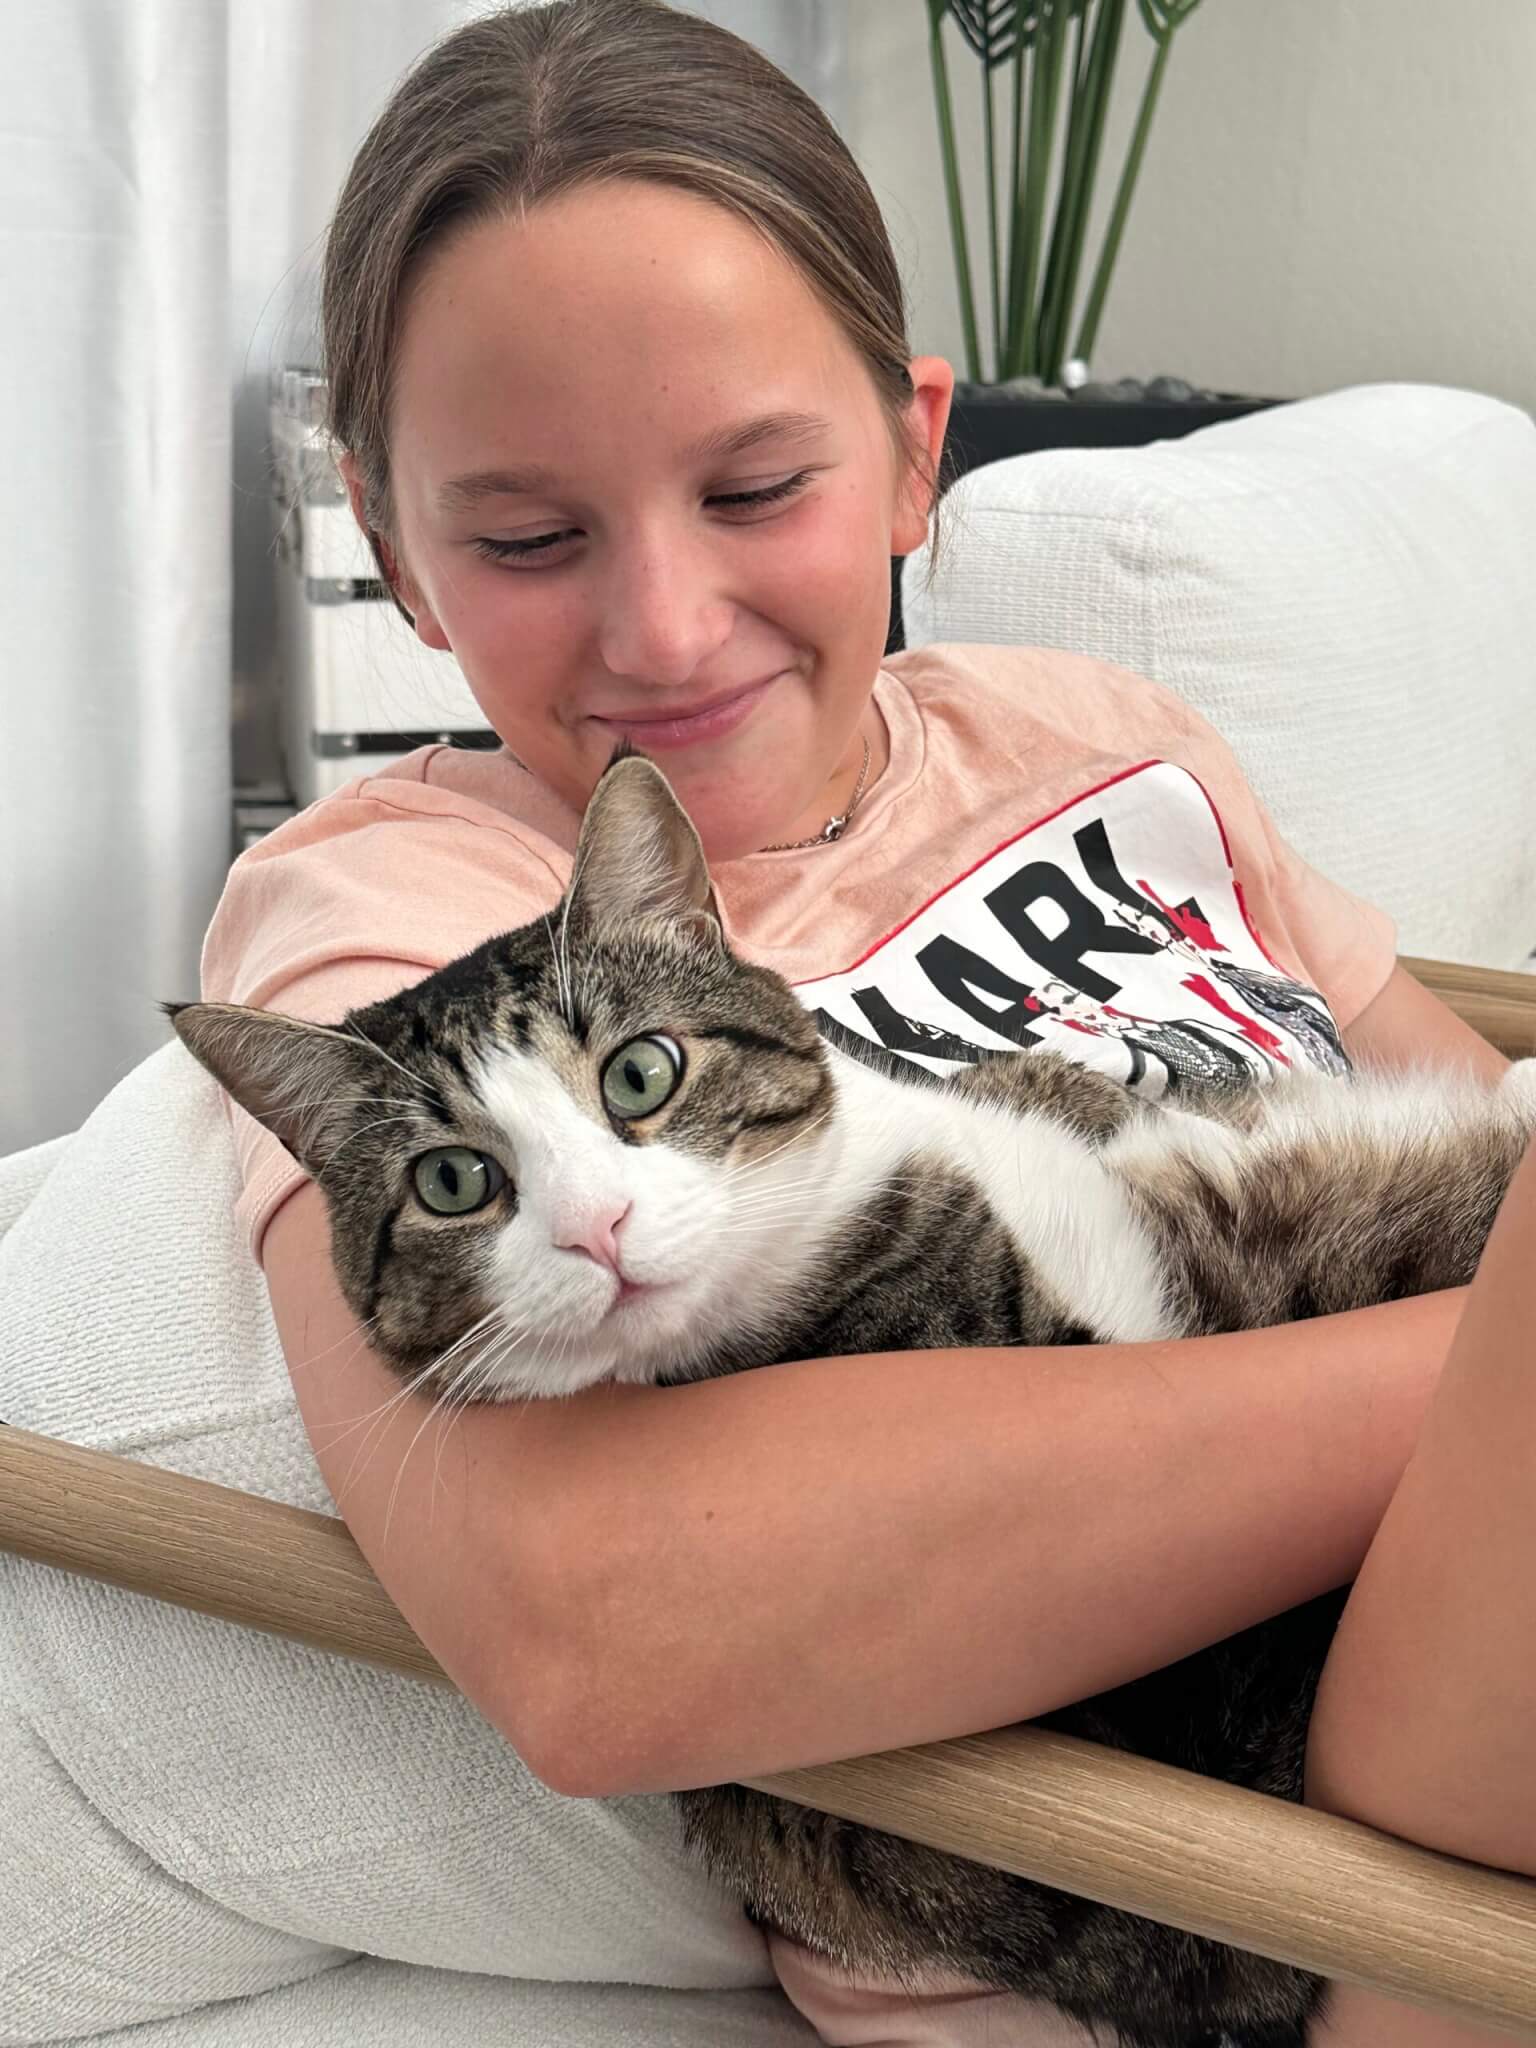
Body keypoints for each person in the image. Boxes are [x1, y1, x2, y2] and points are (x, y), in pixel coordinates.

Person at [200, 3, 1532, 2041]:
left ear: (916, 453)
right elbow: (596, 1631)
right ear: (396, 551)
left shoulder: (1098, 732)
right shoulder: (393, 922)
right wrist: (1480, 1392)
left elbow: (1464, 1125)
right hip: (1293, 1858)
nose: (664, 628)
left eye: (754, 487)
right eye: (531, 537)